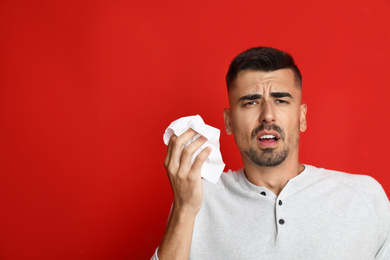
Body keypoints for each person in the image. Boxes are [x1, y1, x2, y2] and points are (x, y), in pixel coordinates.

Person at [151, 47, 390, 259]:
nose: (267, 114)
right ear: (229, 121)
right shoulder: (197, 201)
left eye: (281, 100)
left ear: (302, 117)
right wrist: (184, 209)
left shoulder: (364, 198)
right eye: (251, 102)